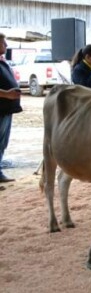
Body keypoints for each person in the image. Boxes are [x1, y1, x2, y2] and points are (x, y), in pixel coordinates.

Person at [0, 33, 22, 184]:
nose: (6, 46)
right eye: (3, 43)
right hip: (2, 107)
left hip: (6, 109)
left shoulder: (2, 61)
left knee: (2, 143)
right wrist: (6, 94)